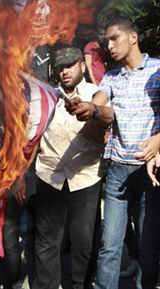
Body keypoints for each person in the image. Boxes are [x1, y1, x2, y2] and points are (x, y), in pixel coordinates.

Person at [66, 16, 160, 289]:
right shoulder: (111, 77)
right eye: (106, 40)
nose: (109, 45)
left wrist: (158, 140)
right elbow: (103, 108)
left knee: (147, 246)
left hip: (150, 173)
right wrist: (89, 109)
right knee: (109, 247)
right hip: (117, 171)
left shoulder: (157, 70)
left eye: (114, 38)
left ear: (133, 37)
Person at [31, 47, 106, 289]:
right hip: (49, 176)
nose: (65, 71)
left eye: (70, 65)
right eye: (60, 67)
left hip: (85, 177)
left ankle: (79, 284)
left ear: (82, 66)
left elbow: (107, 124)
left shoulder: (98, 94)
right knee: (46, 242)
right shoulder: (46, 96)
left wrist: (92, 111)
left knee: (83, 242)